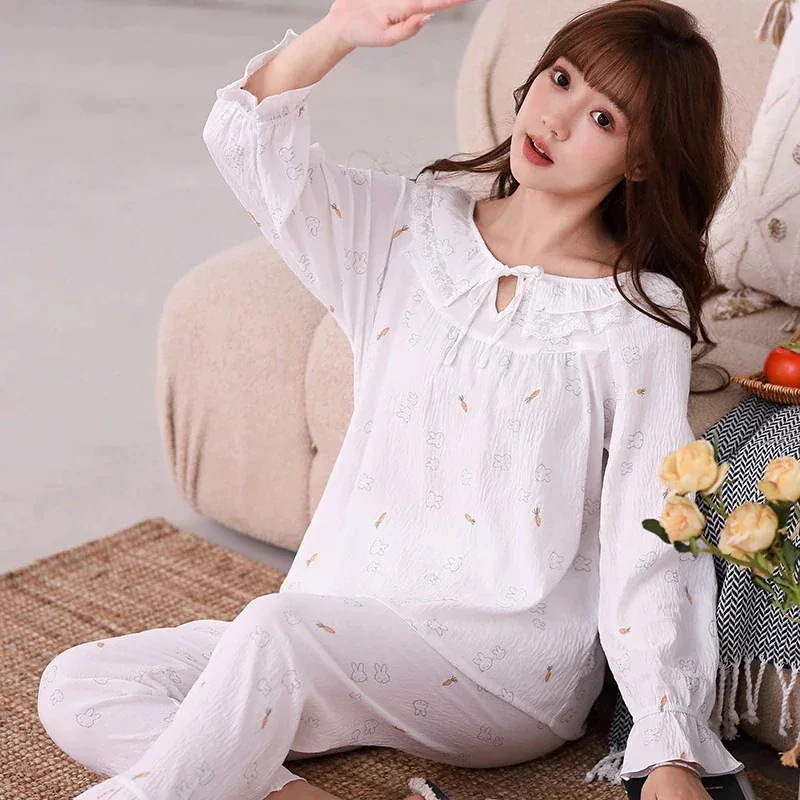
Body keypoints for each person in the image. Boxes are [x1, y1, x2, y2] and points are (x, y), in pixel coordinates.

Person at [37, 2, 747, 799]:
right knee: (81, 684)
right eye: (560, 78)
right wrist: (339, 30)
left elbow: (648, 534)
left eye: (602, 118)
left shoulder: (633, 318)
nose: (556, 117)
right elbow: (245, 144)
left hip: (504, 670)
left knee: (274, 633)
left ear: (642, 160)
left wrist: (669, 745)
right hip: (339, 621)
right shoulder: (412, 232)